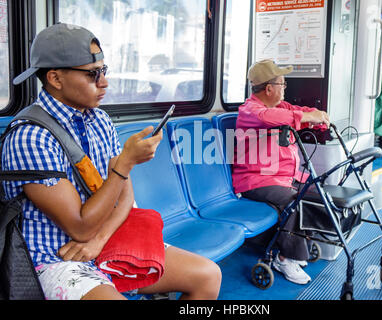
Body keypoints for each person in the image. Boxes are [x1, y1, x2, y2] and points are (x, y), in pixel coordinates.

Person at [2, 23, 221, 300]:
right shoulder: (30, 137)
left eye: (104, 71)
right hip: (56, 258)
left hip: (105, 240)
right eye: (93, 74)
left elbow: (126, 196)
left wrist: (100, 240)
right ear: (56, 79)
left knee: (207, 276)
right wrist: (125, 164)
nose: (104, 82)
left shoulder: (100, 120)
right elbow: (80, 227)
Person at [232, 59, 330, 285]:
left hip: (283, 177)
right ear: (269, 88)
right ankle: (285, 258)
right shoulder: (251, 110)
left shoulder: (281, 107)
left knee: (316, 192)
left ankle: (299, 245)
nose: (285, 89)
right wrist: (306, 117)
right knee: (293, 200)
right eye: (283, 84)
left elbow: (299, 113)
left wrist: (319, 117)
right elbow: (271, 119)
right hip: (255, 181)